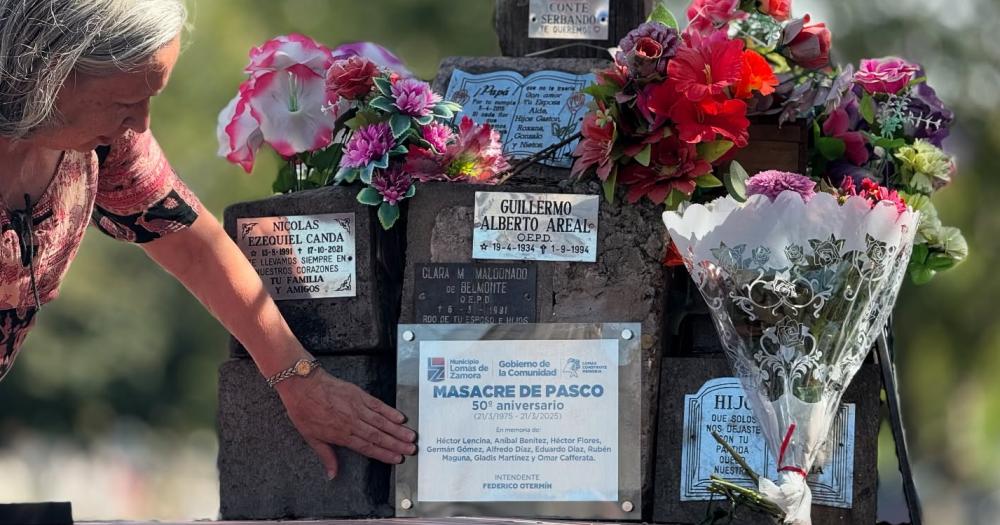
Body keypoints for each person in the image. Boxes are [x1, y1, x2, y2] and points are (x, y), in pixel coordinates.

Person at [0, 0, 415, 479]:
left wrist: (301, 380)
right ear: (51, 70)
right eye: (125, 103)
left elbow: (194, 246)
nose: (141, 123)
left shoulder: (104, 140)